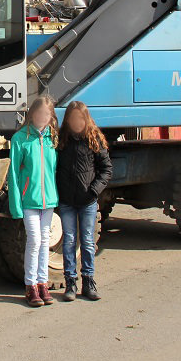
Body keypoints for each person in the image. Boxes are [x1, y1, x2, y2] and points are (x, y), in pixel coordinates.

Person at [55, 101, 113, 302]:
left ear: (85, 119)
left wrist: (94, 190)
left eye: (80, 118)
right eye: (72, 118)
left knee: (88, 241)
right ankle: (70, 282)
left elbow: (106, 169)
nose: (76, 121)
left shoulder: (94, 139)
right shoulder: (61, 140)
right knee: (69, 241)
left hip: (87, 201)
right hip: (67, 202)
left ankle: (89, 281)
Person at [7, 96, 59, 307]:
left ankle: (42, 284)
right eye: (39, 114)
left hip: (49, 201)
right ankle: (30, 286)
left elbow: (54, 170)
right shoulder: (20, 139)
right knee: (35, 241)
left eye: (47, 115)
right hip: (29, 200)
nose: (43, 117)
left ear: (51, 117)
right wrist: (15, 205)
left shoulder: (51, 139)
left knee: (45, 242)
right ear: (32, 115)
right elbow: (13, 173)